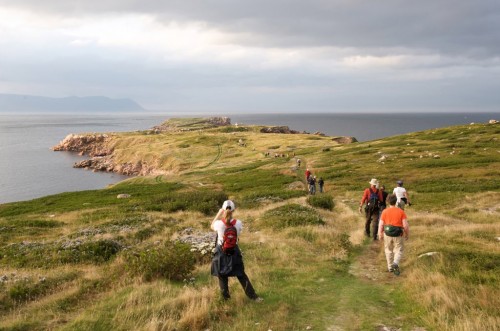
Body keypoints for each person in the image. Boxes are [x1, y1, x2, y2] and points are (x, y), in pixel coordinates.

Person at [210, 200, 262, 301]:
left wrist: (219, 213)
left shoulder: (218, 224)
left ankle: (226, 300)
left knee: (222, 276)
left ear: (223, 210)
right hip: (234, 251)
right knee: (241, 274)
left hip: (221, 252)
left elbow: (211, 225)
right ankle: (254, 297)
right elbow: (238, 235)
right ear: (233, 210)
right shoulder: (238, 223)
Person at [378, 194, 410, 275]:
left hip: (387, 233)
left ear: (388, 202)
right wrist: (407, 234)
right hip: (398, 234)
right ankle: (395, 263)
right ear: (396, 201)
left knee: (388, 250)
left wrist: (380, 234)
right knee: (398, 249)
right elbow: (405, 225)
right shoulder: (401, 212)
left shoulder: (384, 211)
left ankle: (390, 267)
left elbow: (381, 224)